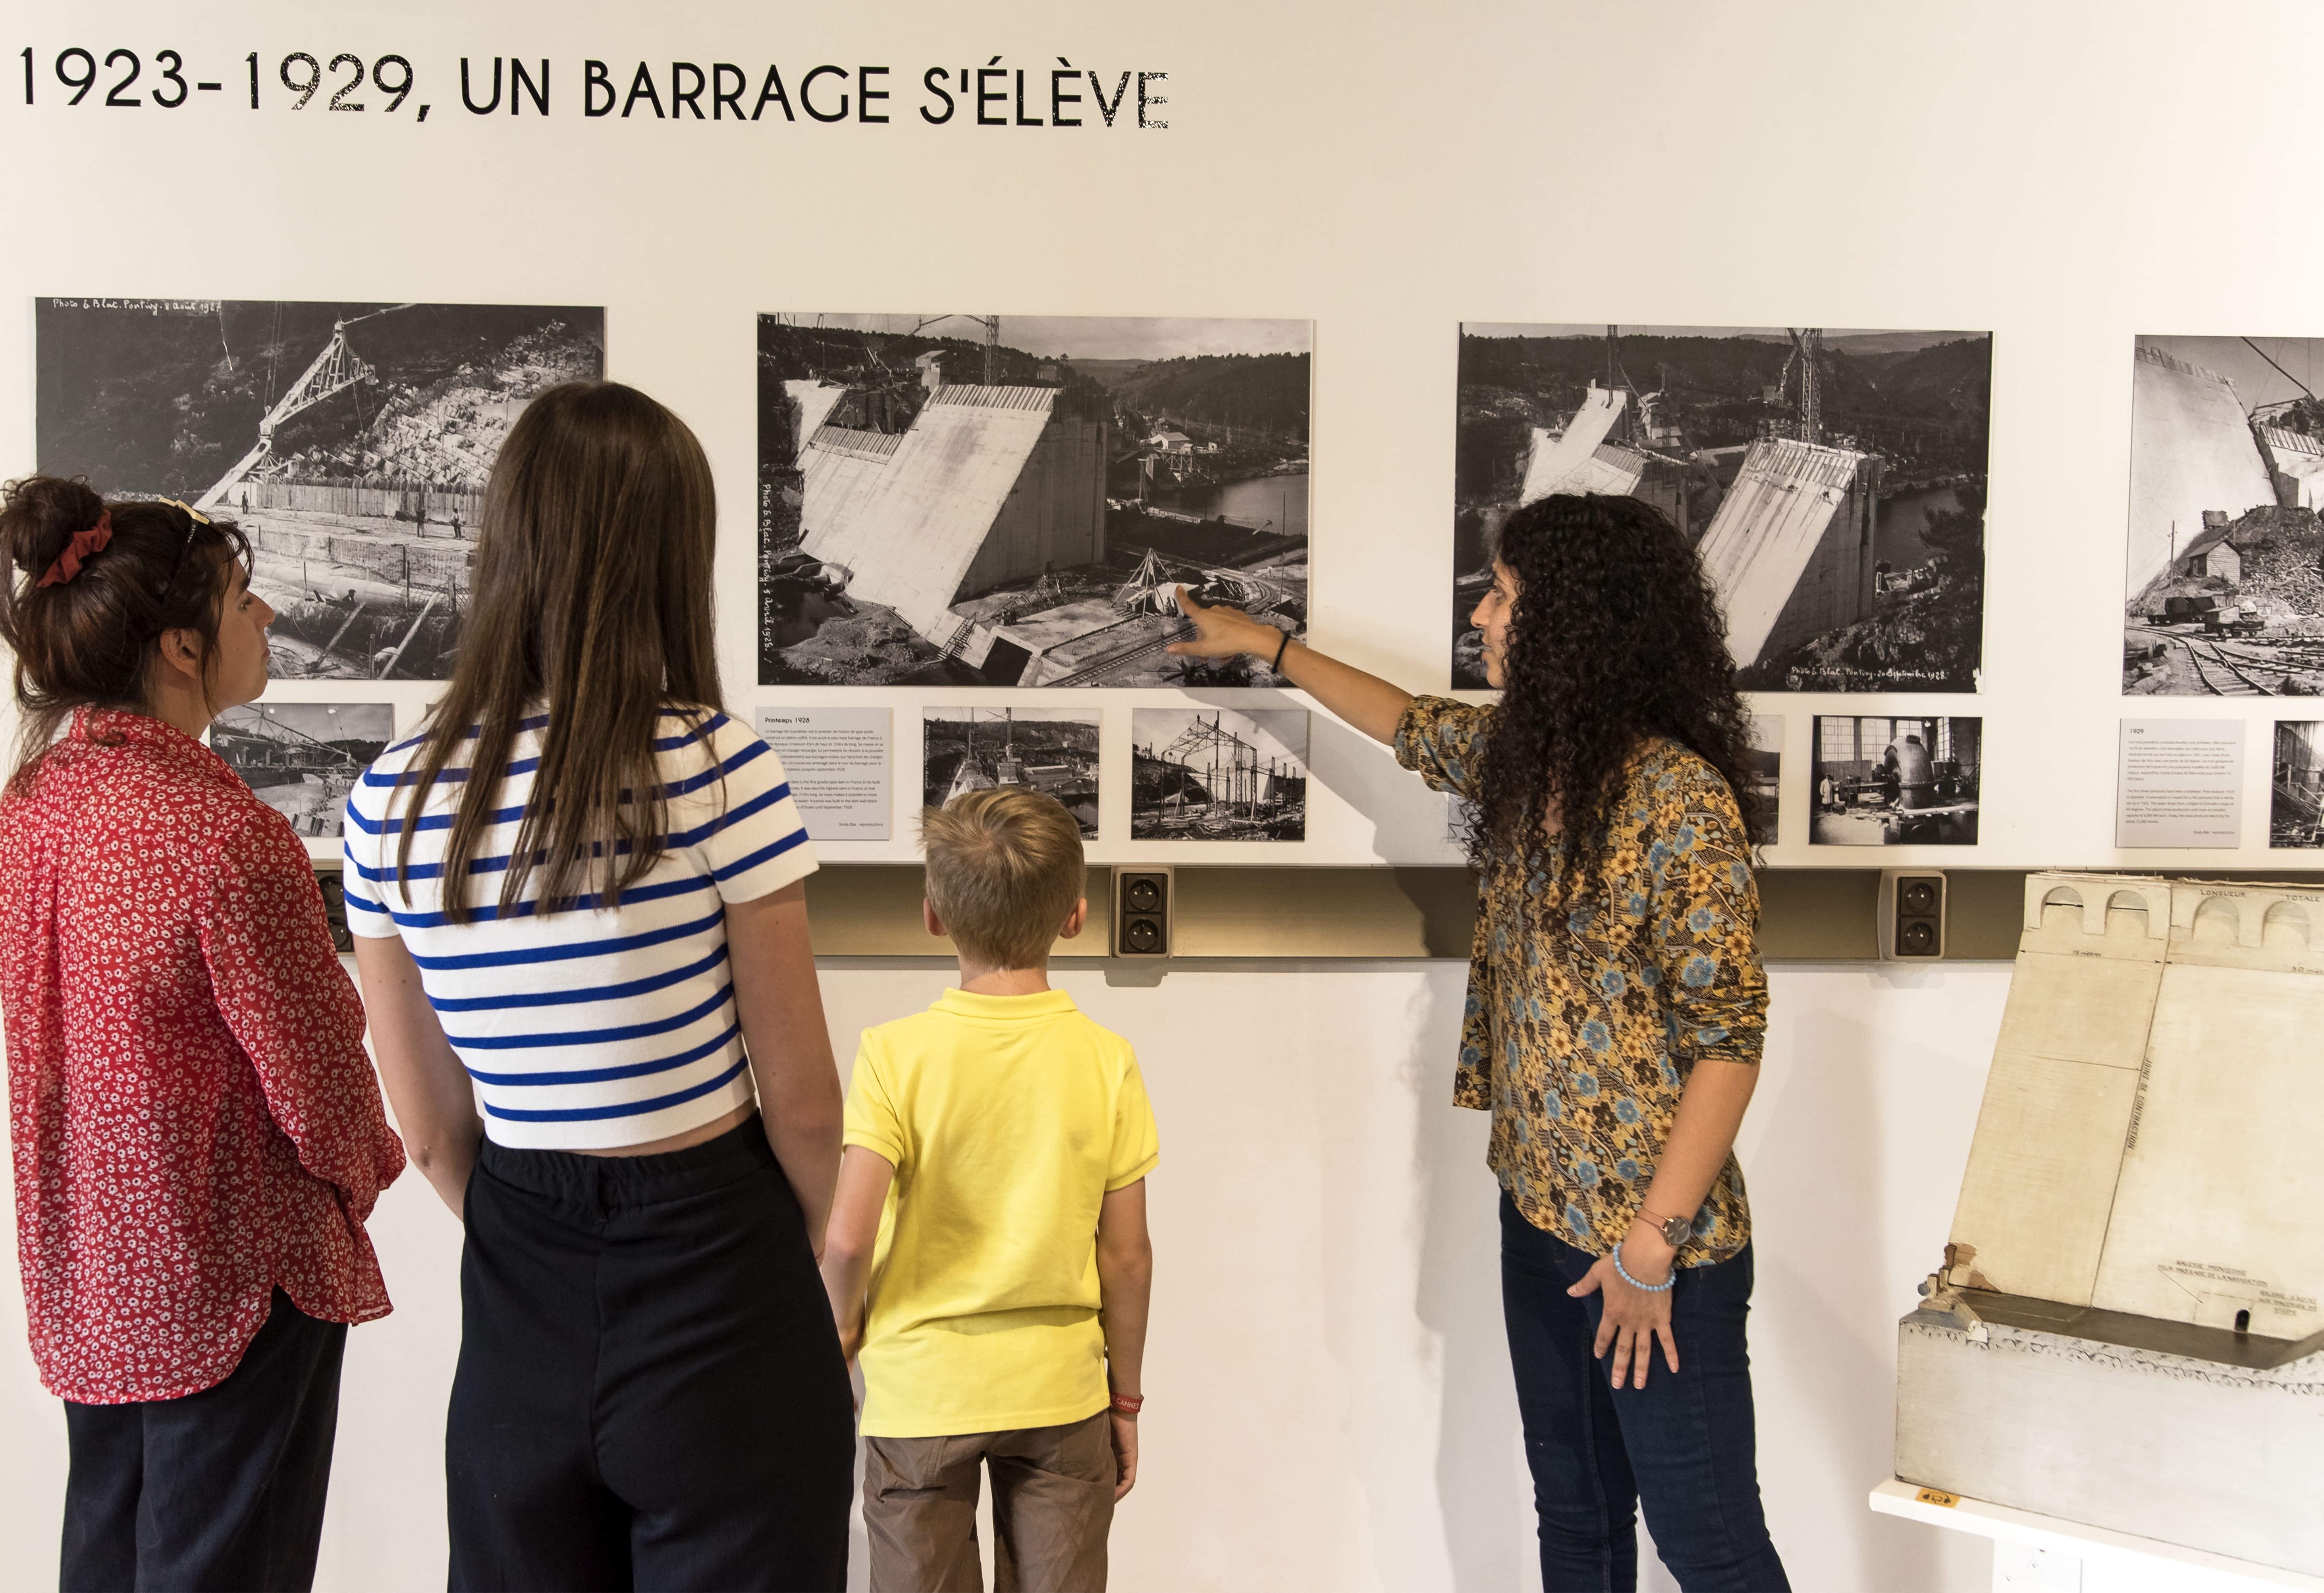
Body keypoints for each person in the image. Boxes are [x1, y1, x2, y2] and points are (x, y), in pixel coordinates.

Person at [1170, 492, 1788, 1591]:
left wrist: (1650, 1247)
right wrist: (1264, 643)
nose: (1483, 615)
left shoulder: (1679, 799)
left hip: (1656, 1251)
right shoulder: (1526, 754)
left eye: (1504, 596)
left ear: (1573, 624)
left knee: (1710, 1546)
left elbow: (1727, 1040)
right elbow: (1407, 721)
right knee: (1579, 1516)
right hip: (1543, 1215)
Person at [343, 381, 852, 1590]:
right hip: (721, 1265)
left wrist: (545, 1239)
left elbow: (424, 1130)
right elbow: (805, 1103)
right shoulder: (714, 764)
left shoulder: (394, 799)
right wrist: (839, 1278)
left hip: (520, 1273)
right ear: (675, 550)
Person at [0, 477, 406, 1592]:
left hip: (92, 1277)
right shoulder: (227, 836)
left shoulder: (30, 808)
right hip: (232, 1282)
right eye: (242, 601)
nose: (265, 619)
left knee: (110, 1566)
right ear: (179, 646)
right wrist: (368, 1174)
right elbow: (320, 1082)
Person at [819, 786, 1158, 1593]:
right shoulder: (1105, 1058)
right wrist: (1126, 1398)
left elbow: (843, 1239)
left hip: (920, 1394)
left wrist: (838, 1341)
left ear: (932, 913)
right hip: (1060, 1391)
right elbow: (1128, 1256)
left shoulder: (893, 1054)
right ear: (1075, 914)